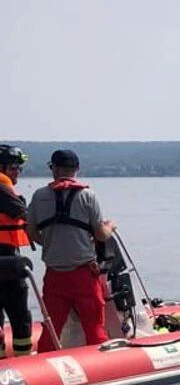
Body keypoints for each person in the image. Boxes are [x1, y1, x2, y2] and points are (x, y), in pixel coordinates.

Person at [28, 150, 116, 351]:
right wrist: (111, 226)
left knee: (51, 330)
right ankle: (101, 371)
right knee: (94, 328)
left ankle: (45, 373)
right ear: (76, 170)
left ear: (54, 169)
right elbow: (101, 234)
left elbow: (31, 232)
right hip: (84, 274)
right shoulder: (87, 196)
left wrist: (50, 243)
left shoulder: (39, 195)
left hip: (54, 276)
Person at [0, 145, 33, 356]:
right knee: (20, 317)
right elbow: (25, 214)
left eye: (19, 168)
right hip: (5, 260)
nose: (17, 172)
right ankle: (24, 365)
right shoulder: (2, 188)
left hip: (6, 254)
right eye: (13, 167)